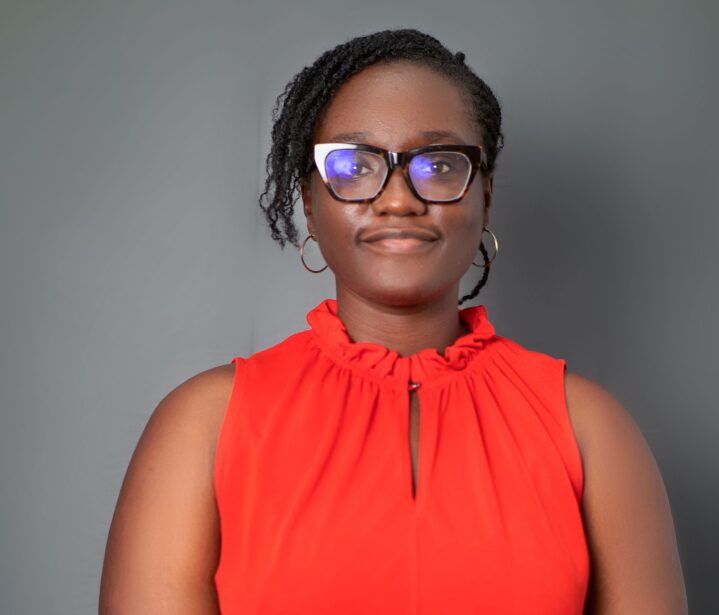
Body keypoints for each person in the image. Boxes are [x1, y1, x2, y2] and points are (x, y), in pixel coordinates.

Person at [99, 29, 687, 614]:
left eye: (438, 163)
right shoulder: (203, 425)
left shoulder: (590, 430)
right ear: (309, 199)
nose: (399, 199)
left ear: (485, 193)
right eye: (354, 164)